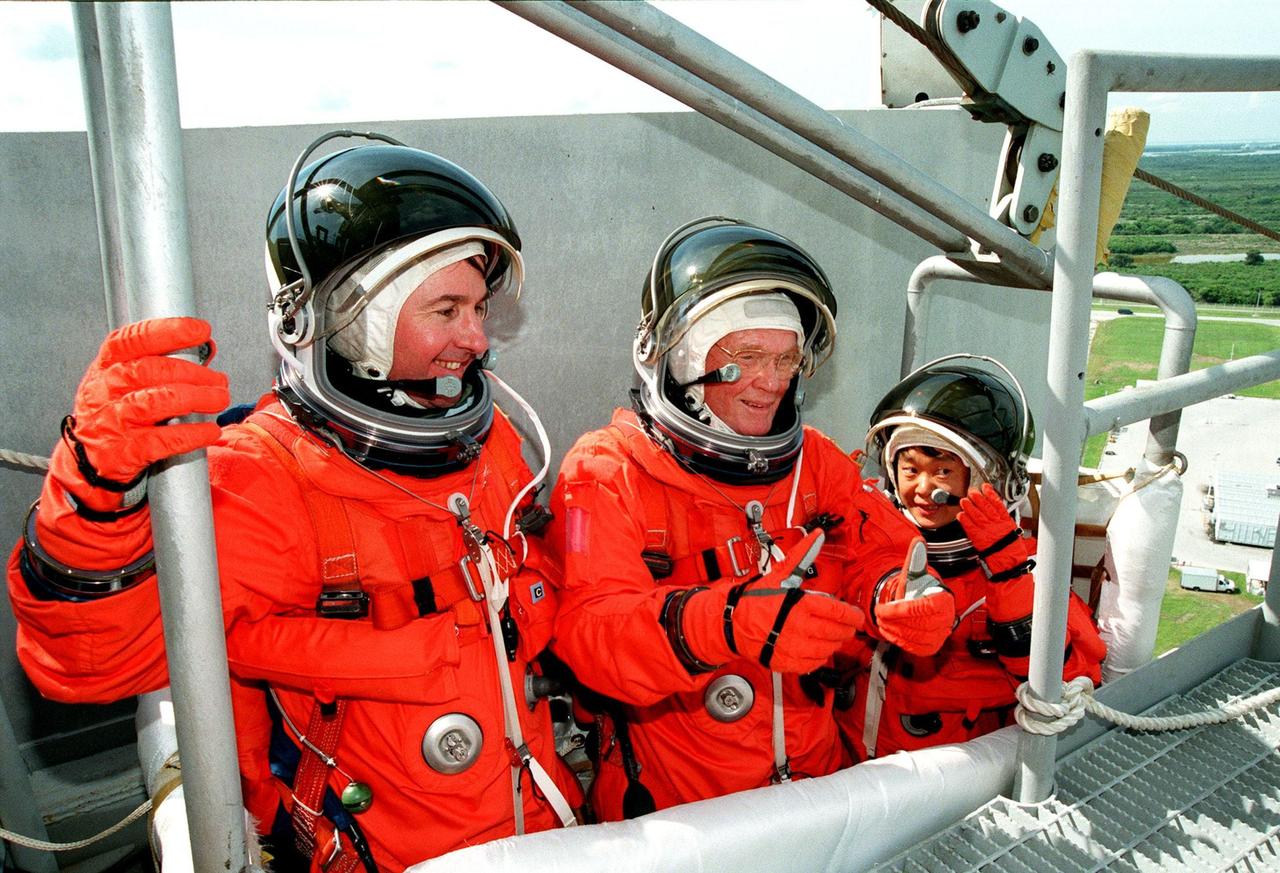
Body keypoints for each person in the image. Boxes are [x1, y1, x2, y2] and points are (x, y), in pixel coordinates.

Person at [7, 132, 581, 871]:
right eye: (446, 309)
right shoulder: (262, 477)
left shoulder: (491, 439)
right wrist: (91, 501)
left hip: (546, 825)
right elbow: (89, 666)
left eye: (480, 307)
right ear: (345, 320)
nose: (475, 338)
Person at [546, 217, 952, 820]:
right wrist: (723, 624)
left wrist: (903, 592)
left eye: (786, 360)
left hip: (816, 792)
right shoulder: (607, 471)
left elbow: (877, 551)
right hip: (682, 814)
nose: (771, 382)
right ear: (682, 360)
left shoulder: (816, 462)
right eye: (746, 357)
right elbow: (590, 633)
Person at [843, 355, 1107, 760]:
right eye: (910, 470)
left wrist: (1007, 572)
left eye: (943, 472)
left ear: (988, 480)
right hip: (850, 765)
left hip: (955, 776)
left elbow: (1068, 689)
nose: (923, 489)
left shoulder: (1030, 573)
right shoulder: (870, 550)